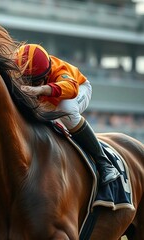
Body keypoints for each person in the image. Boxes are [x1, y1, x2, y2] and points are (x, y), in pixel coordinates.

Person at [15, 43, 120, 186]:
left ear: (47, 73)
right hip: (49, 100)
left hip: (79, 88)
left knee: (67, 110)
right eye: (27, 81)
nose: (31, 84)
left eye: (36, 81)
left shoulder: (58, 68)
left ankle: (104, 162)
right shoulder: (15, 69)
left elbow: (72, 89)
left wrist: (40, 89)